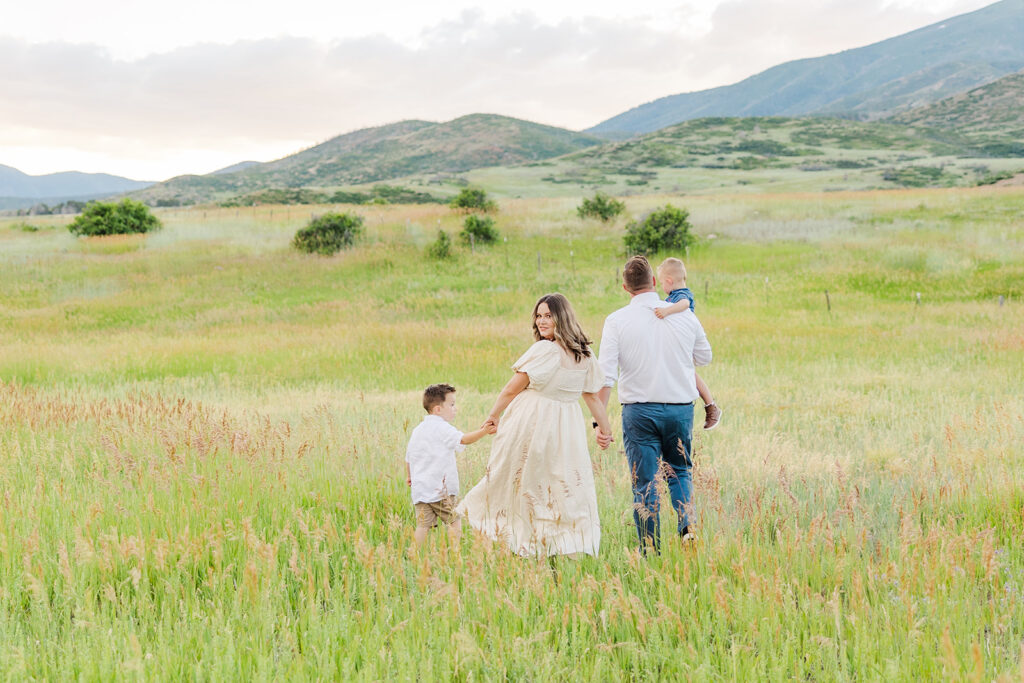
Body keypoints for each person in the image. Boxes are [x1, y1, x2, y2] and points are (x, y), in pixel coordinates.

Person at [457, 293, 613, 557]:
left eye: (548, 316)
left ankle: (519, 537)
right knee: (558, 486)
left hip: (534, 423)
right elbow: (593, 398)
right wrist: (605, 430)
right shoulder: (584, 354)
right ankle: (551, 541)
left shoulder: (545, 350)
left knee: (520, 480)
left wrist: (493, 415)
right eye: (539, 316)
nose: (541, 321)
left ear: (561, 318)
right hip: (567, 429)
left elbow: (510, 389)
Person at [596, 256, 712, 554]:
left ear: (625, 287)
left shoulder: (617, 320)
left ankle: (649, 548)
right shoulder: (684, 314)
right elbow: (704, 358)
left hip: (639, 411)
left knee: (644, 480)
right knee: (680, 470)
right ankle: (687, 525)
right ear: (655, 282)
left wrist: (600, 423)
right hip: (679, 408)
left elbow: (606, 375)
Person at [405, 383, 495, 547]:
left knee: (423, 525)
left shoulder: (418, 430)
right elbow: (463, 439)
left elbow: (409, 457)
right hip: (442, 490)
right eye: (452, 405)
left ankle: (415, 555)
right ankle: (455, 552)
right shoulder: (442, 428)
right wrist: (484, 431)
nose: (455, 408)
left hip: (420, 489)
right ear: (438, 409)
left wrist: (410, 476)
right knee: (454, 520)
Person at [653, 257, 722, 430]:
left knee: (691, 375)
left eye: (662, 283)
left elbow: (684, 304)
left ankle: (711, 405)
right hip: (679, 342)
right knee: (688, 373)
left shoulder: (681, 296)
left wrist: (666, 311)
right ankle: (710, 405)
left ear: (669, 281)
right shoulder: (674, 295)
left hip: (685, 342)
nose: (662, 287)